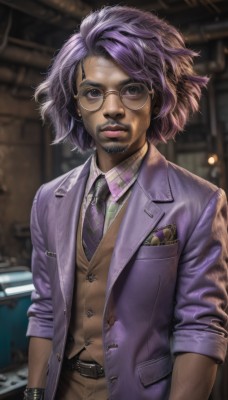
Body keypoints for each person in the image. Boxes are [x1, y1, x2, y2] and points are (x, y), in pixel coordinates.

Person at [25, 5, 228, 400]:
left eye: (132, 88)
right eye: (94, 92)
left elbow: (200, 329)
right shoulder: (48, 199)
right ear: (76, 104)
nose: (113, 108)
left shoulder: (198, 202)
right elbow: (45, 310)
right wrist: (34, 394)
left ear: (158, 98)